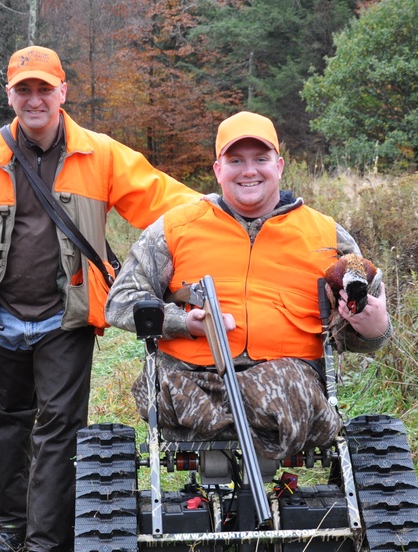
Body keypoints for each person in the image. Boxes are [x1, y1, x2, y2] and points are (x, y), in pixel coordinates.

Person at [0, 45, 199, 552]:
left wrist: (228, 209)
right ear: (8, 95)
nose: (34, 100)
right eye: (23, 90)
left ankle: (47, 548)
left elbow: (168, 203)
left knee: (58, 429)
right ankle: (9, 530)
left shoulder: (99, 155)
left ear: (62, 93)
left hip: (67, 316)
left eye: (43, 89)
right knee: (2, 423)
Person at [105, 111, 392, 459]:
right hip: (191, 385)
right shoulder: (176, 227)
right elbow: (120, 301)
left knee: (288, 389)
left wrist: (372, 328)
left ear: (280, 165)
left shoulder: (327, 236)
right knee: (168, 392)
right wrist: (183, 323)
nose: (249, 170)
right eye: (236, 160)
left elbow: (361, 332)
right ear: (218, 170)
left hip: (291, 389)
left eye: (261, 159)